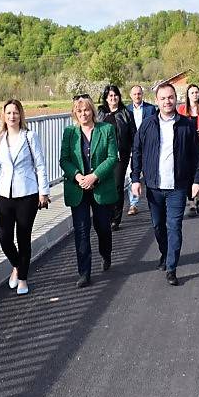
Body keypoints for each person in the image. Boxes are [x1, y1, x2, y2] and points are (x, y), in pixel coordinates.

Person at [131, 83, 199, 285]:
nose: (167, 101)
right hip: (154, 186)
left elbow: (197, 157)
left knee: (174, 226)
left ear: (176, 98)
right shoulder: (148, 124)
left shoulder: (186, 125)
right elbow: (136, 151)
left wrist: (197, 180)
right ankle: (165, 253)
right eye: (163, 98)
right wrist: (135, 178)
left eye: (170, 97)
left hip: (178, 186)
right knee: (157, 226)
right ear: (157, 101)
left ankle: (172, 267)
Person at [0, 100, 50, 296]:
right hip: (3, 194)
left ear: (21, 115)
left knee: (23, 238)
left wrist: (43, 191)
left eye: (15, 113)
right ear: (3, 116)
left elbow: (40, 165)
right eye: (9, 113)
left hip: (27, 194)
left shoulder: (30, 136)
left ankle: (23, 278)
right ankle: (16, 265)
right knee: (4, 238)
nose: (12, 116)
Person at [60, 95, 119, 288]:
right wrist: (78, 176)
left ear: (92, 111)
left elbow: (112, 157)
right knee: (82, 231)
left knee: (102, 227)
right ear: (74, 113)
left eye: (86, 110)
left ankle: (106, 253)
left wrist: (95, 176)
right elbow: (64, 160)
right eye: (79, 111)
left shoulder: (106, 129)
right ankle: (84, 272)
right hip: (78, 188)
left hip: (100, 187)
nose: (83, 114)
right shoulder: (70, 132)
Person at [96, 85, 135, 230]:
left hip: (120, 155)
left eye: (115, 95)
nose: (113, 98)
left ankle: (115, 218)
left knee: (117, 185)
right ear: (106, 98)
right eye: (110, 96)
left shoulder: (126, 113)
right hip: (102, 156)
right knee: (104, 184)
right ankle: (106, 213)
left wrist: (134, 152)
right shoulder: (100, 114)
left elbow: (133, 134)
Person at [177, 83, 199, 216]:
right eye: (192, 93)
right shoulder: (182, 109)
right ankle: (191, 201)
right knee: (187, 174)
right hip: (187, 147)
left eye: (197, 92)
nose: (195, 95)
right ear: (188, 95)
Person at [125, 85, 157, 215]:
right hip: (133, 146)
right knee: (132, 174)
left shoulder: (150, 109)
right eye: (134, 94)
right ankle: (133, 204)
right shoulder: (127, 110)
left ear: (142, 94)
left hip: (148, 145)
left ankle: (154, 202)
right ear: (130, 95)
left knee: (150, 174)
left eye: (139, 94)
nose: (137, 96)